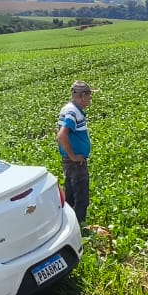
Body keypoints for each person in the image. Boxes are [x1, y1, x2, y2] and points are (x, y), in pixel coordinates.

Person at [55, 80, 92, 227]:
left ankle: (67, 226)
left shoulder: (68, 109)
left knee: (69, 197)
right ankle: (79, 229)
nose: (90, 100)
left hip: (70, 162)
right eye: (89, 96)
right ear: (82, 95)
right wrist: (73, 156)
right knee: (81, 197)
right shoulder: (72, 112)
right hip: (75, 163)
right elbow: (62, 135)